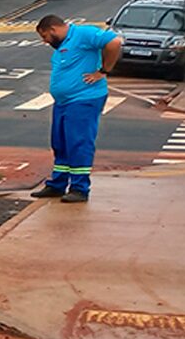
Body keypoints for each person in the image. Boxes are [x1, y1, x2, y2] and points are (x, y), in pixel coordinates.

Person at [35, 14, 123, 203]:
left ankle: (79, 188)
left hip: (83, 99)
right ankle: (58, 184)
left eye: (45, 36)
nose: (44, 41)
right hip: (63, 102)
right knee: (60, 143)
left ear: (53, 30)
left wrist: (103, 71)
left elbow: (114, 42)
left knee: (79, 142)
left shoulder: (84, 34)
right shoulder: (62, 45)